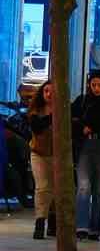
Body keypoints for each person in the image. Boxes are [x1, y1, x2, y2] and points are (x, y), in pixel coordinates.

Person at [71, 69, 100, 239]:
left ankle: (96, 228)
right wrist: (81, 128)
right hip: (84, 147)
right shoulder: (82, 101)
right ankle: (81, 226)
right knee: (83, 187)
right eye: (93, 84)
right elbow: (71, 119)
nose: (96, 88)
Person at [27, 80, 56, 240]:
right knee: (42, 187)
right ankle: (40, 222)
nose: (49, 94)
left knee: (56, 190)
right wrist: (52, 117)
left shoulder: (64, 110)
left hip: (57, 155)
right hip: (38, 154)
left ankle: (53, 222)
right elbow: (37, 128)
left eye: (52, 91)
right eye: (46, 91)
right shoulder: (36, 110)